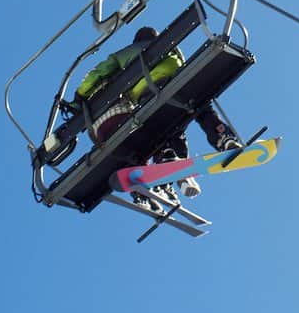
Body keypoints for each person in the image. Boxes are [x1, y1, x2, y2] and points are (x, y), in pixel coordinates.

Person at [73, 25, 242, 203]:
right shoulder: (172, 47)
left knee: (160, 127)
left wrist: (80, 96)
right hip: (179, 85)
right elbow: (180, 65)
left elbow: (101, 71)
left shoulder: (127, 54)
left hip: (149, 95)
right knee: (200, 108)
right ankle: (223, 136)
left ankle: (168, 158)